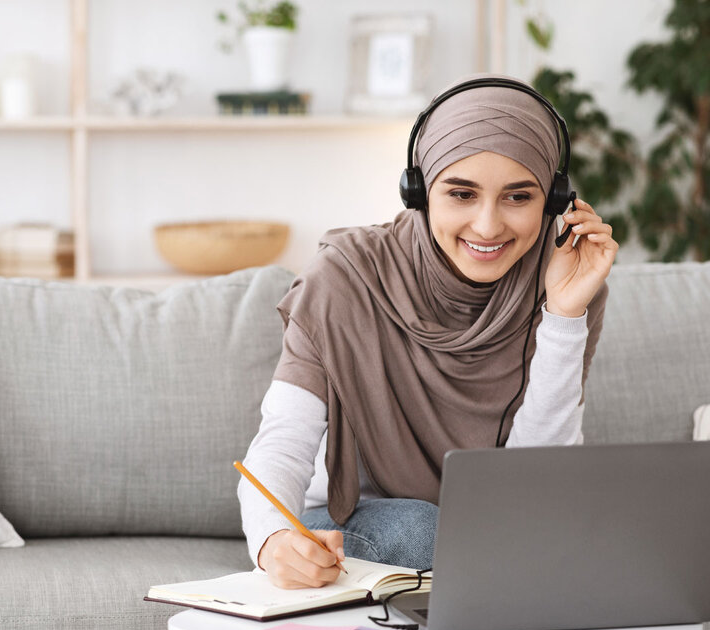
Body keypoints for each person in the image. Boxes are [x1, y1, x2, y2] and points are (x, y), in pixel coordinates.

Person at [238, 73, 618, 590]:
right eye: (461, 193)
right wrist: (273, 538)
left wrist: (565, 314)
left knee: (582, 538)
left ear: (552, 199)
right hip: (359, 524)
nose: (487, 226)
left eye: (517, 197)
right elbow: (283, 440)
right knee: (426, 531)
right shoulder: (344, 278)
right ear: (418, 191)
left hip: (495, 528)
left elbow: (537, 484)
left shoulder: (565, 281)